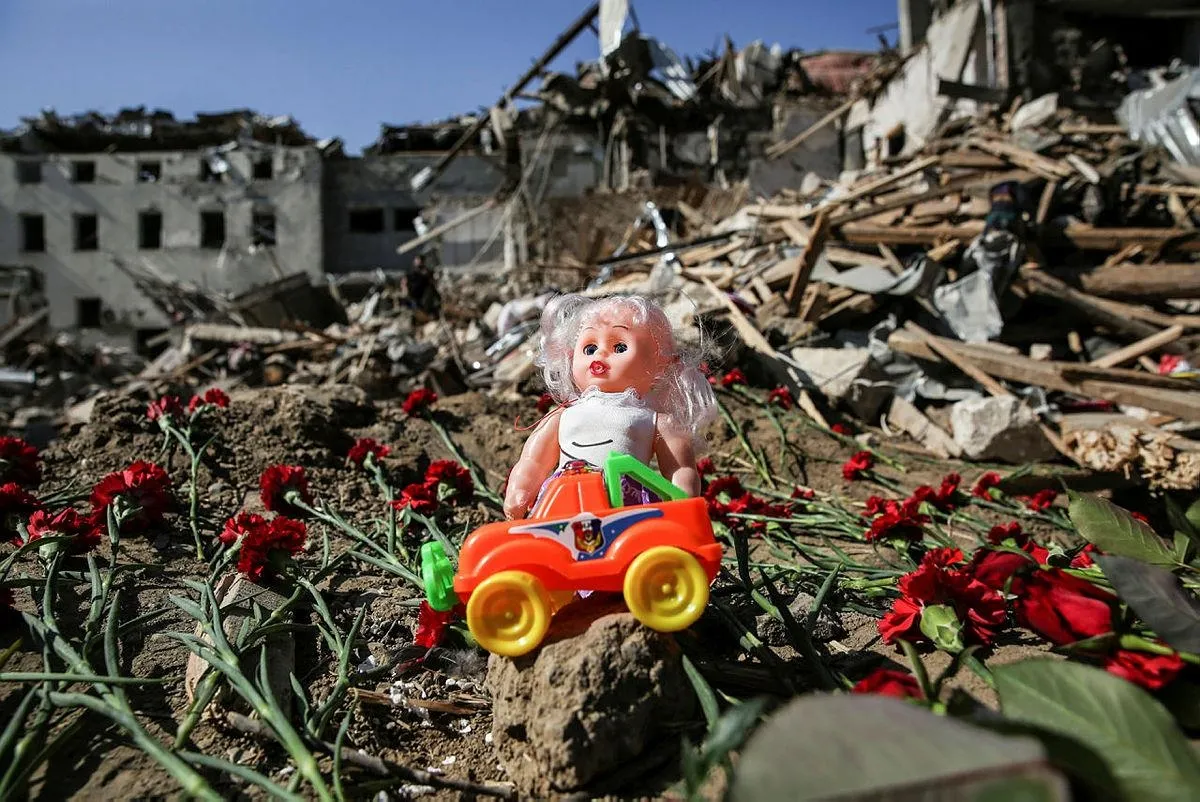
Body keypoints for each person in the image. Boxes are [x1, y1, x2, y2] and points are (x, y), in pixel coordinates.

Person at [502, 293, 716, 520]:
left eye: (620, 347)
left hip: (624, 503)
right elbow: (533, 461)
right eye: (589, 348)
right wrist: (519, 491)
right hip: (565, 499)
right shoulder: (563, 416)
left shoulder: (653, 420)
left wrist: (684, 503)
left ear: (659, 364)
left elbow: (679, 469)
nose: (600, 354)